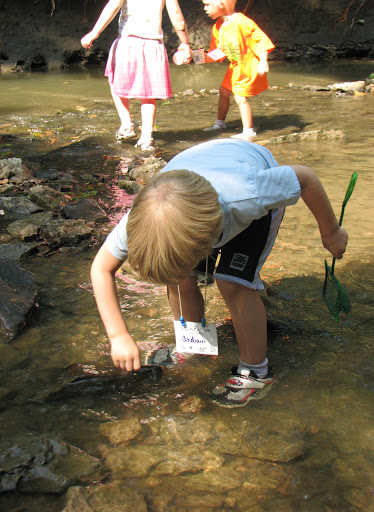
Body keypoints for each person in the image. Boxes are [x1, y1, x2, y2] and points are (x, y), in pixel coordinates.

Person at [90, 139, 348, 406]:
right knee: (182, 278)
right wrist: (118, 335)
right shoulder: (138, 222)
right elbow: (100, 269)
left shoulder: (250, 194)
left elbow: (305, 178)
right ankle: (192, 342)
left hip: (248, 188)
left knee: (232, 283)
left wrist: (331, 232)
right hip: (196, 183)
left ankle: (256, 371)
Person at [81, 0, 192, 150]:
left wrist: (95, 32)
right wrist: (185, 43)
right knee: (148, 93)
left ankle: (127, 124)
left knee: (115, 82)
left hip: (128, 42)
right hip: (153, 45)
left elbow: (113, 6)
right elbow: (176, 15)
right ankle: (146, 137)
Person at [201, 0, 275, 141]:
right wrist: (201, 57)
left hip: (248, 65)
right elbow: (218, 51)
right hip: (235, 66)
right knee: (223, 91)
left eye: (207, 4)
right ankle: (220, 124)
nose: (205, 9)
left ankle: (248, 131)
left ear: (221, 4)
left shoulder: (242, 22)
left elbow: (261, 40)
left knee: (240, 97)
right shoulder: (219, 26)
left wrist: (263, 61)